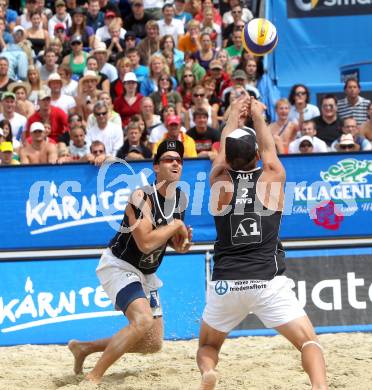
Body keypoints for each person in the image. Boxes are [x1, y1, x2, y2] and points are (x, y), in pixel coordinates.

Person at [196, 95, 327, 390]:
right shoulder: (272, 177)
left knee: (208, 348)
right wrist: (257, 114)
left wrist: (233, 115)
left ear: (227, 158)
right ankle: (320, 387)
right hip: (267, 281)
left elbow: (222, 154)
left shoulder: (219, 180)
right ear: (255, 155)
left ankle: (208, 374)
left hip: (226, 283)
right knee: (308, 342)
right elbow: (270, 150)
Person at [68, 139, 192, 384]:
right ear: (156, 167)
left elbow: (170, 244)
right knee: (142, 320)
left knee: (151, 343)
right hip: (120, 265)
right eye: (168, 159)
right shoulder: (141, 196)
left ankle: (85, 348)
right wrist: (176, 226)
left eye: (178, 159)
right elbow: (145, 242)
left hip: (146, 272)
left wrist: (182, 242)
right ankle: (93, 378)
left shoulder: (180, 199)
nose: (175, 163)